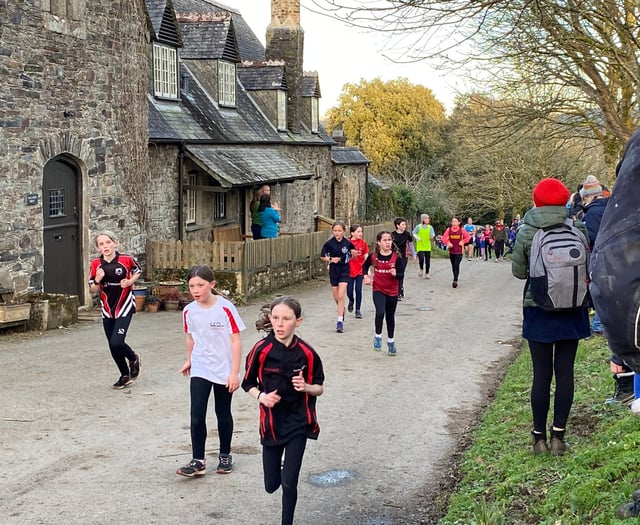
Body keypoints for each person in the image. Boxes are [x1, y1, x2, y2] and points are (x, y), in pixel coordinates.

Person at [511, 177, 590, 456]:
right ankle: (559, 437)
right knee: (565, 373)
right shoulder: (577, 226)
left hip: (539, 308)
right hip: (573, 308)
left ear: (536, 202)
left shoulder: (527, 231)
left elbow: (519, 273)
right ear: (565, 201)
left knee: (541, 374)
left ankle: (538, 440)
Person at [242, 296, 324, 525]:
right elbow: (247, 383)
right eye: (275, 318)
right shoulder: (261, 350)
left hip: (299, 423)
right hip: (271, 424)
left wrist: (307, 387)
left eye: (286, 319)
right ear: (270, 319)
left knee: (289, 483)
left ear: (298, 322)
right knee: (271, 486)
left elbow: (320, 388)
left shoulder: (307, 353)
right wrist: (262, 397)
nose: (279, 324)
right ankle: (279, 466)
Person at [176, 265, 246, 478]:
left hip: (224, 368)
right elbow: (191, 337)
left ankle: (225, 455)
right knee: (196, 415)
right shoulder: (189, 311)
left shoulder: (225, 308)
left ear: (212, 285)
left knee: (222, 413)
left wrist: (234, 372)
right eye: (191, 286)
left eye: (201, 285)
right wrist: (189, 360)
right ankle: (198, 460)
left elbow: (236, 341)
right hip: (201, 366)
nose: (196, 290)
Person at [580, 175, 631, 403]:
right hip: (627, 266)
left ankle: (625, 388)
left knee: (614, 321)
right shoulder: (616, 207)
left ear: (587, 197)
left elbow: (594, 241)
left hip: (607, 267)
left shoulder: (591, 214)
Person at [89, 231, 142, 390]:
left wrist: (129, 282)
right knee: (112, 345)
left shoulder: (126, 259)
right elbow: (92, 289)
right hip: (107, 308)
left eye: (107, 242)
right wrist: (98, 279)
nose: (105, 246)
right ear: (98, 248)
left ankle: (133, 358)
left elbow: (137, 270)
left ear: (114, 243)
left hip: (124, 305)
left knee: (116, 341)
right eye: (101, 244)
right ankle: (124, 375)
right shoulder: (95, 264)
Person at [363, 230, 400, 355]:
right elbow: (364, 266)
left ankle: (391, 342)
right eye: (385, 240)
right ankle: (377, 337)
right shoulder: (374, 256)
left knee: (390, 317)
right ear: (379, 242)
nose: (388, 242)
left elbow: (401, 274)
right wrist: (366, 276)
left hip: (392, 291)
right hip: (378, 289)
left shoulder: (396, 257)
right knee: (380, 313)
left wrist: (397, 274)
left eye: (389, 240)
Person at [320, 220, 355, 333]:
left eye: (339, 231)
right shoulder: (329, 243)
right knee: (336, 297)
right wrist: (330, 260)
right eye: (335, 230)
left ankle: (340, 322)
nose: (337, 233)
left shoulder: (348, 243)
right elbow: (322, 256)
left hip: (344, 270)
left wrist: (352, 255)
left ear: (344, 231)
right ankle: (342, 309)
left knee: (341, 295)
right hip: (334, 270)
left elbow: (352, 254)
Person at [346, 223, 368, 319]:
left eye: (361, 231)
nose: (360, 233)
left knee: (358, 290)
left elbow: (366, 254)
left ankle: (358, 310)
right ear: (352, 233)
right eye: (358, 231)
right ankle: (351, 300)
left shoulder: (363, 243)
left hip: (360, 269)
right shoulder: (347, 243)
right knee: (349, 290)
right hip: (349, 270)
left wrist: (367, 266)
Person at [441, 218, 470, 288]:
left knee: (456, 265)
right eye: (453, 221)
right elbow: (443, 238)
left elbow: (468, 237)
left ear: (459, 223)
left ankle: (455, 280)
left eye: (455, 221)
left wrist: (463, 241)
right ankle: (455, 277)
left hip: (459, 251)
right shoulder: (449, 230)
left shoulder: (462, 230)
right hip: (452, 251)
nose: (454, 223)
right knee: (453, 265)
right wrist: (448, 243)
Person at [391, 217, 415, 300]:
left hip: (403, 256)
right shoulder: (392, 234)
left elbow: (411, 244)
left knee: (400, 273)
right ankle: (397, 289)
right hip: (394, 256)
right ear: (397, 226)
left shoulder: (407, 234)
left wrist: (414, 254)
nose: (405, 226)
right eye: (403, 224)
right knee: (395, 273)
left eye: (405, 224)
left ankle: (399, 291)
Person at [412, 214, 436, 279]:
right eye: (426, 218)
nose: (428, 220)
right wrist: (417, 238)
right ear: (422, 219)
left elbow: (432, 235)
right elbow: (413, 233)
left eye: (428, 218)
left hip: (427, 246)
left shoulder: (430, 227)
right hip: (420, 246)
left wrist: (432, 237)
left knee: (427, 261)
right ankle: (421, 269)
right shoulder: (418, 227)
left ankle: (427, 273)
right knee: (421, 259)